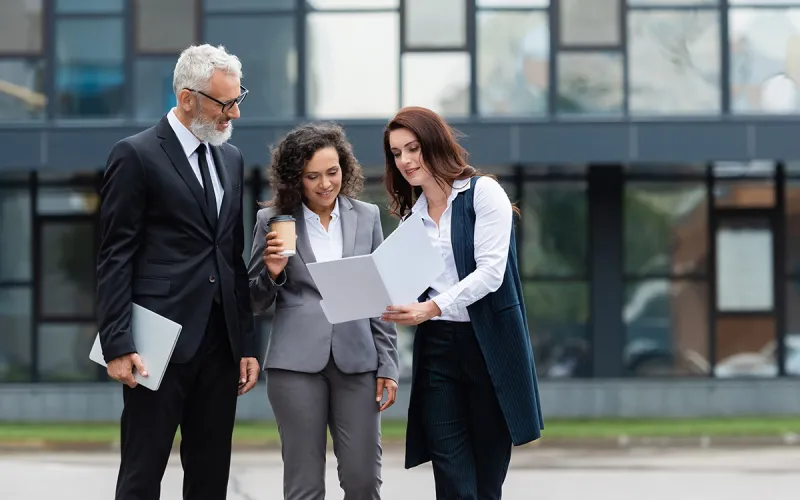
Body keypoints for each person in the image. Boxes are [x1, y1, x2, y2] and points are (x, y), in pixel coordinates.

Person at [96, 44, 259, 500]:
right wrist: (118, 342)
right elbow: (114, 255)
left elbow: (230, 256)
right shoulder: (135, 155)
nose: (235, 114)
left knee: (210, 478)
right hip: (155, 345)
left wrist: (246, 343)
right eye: (225, 103)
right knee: (142, 476)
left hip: (220, 347)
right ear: (188, 98)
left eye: (237, 99)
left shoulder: (232, 159)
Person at [380, 106, 544, 499]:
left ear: (435, 144)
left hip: (489, 348)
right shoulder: (411, 222)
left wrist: (430, 307)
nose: (405, 160)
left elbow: (491, 273)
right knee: (453, 483)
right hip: (437, 351)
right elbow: (401, 289)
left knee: (487, 484)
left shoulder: (484, 194)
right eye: (397, 153)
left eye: (413, 148)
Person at [247, 123, 399, 500]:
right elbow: (252, 299)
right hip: (295, 365)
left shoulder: (367, 216)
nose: (325, 184)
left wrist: (389, 365)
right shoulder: (272, 220)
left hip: (358, 361)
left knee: (364, 481)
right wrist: (272, 273)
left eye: (332, 172)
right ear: (294, 178)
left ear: (344, 168)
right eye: (312, 176)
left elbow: (379, 295)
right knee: (305, 486)